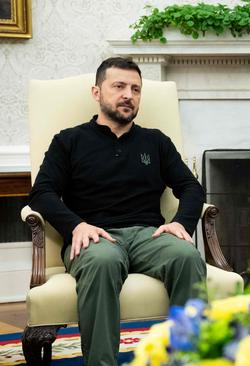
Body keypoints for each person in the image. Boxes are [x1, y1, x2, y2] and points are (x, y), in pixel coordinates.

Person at [29, 57, 206, 366]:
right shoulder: (69, 141)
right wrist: (76, 226)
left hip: (148, 235)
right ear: (97, 92)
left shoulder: (156, 142)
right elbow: (41, 193)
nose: (129, 95)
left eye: (136, 89)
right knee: (103, 261)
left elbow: (191, 188)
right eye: (119, 86)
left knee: (187, 256)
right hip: (92, 237)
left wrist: (182, 224)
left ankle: (185, 360)